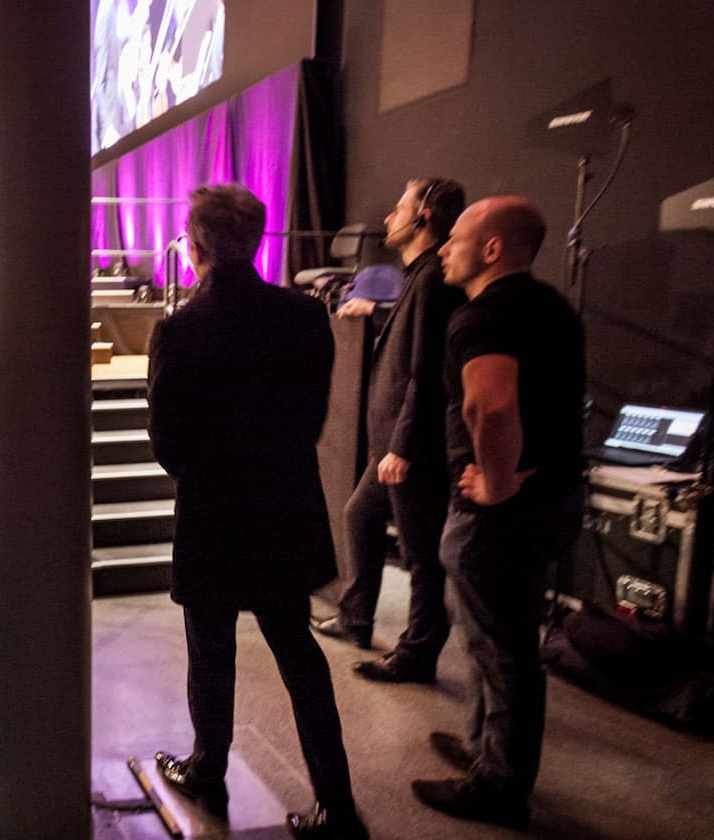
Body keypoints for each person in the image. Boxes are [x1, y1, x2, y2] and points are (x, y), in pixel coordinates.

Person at [146, 184, 366, 839]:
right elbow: (312, 419)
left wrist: (208, 474)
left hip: (213, 515)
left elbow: (167, 442)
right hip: (284, 508)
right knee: (299, 653)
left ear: (196, 246)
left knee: (209, 652)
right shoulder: (303, 317)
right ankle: (337, 806)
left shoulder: (179, 329)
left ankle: (207, 772)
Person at [410, 197, 585, 827]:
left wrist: (500, 483)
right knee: (497, 634)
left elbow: (492, 407)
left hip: (502, 513)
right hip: (557, 499)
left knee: (504, 649)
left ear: (491, 250)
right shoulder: (554, 309)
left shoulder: (481, 318)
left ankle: (500, 785)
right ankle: (484, 746)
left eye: (455, 238)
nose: (442, 247)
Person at [313, 178, 466, 685]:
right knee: (359, 515)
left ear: (423, 216)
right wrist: (376, 312)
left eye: (398, 208)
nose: (387, 218)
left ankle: (418, 654)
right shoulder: (420, 278)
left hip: (409, 448)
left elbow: (427, 372)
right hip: (392, 446)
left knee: (422, 554)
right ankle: (357, 619)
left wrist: (400, 446)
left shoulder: (432, 280)